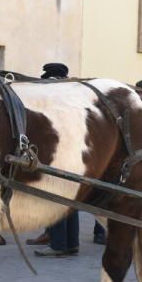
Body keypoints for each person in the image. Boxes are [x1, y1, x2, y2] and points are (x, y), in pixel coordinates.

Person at [34, 63, 80, 257]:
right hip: (76, 154)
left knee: (55, 199)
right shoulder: (74, 98)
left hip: (58, 154)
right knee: (71, 201)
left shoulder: (54, 100)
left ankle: (58, 244)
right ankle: (71, 243)